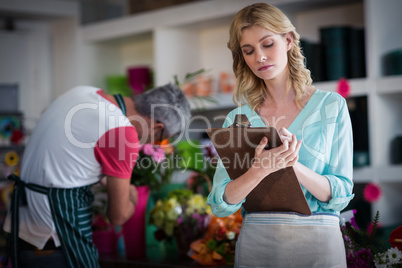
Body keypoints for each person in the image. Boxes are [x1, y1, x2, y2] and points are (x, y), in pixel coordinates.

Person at [207, 3, 354, 267]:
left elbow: (341, 194)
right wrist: (258, 171)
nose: (259, 57)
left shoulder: (331, 106)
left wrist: (292, 165)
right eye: (248, 51)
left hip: (319, 244)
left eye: (267, 44)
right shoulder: (237, 119)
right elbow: (221, 203)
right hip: (257, 245)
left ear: (288, 40)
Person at [4, 83, 191, 268]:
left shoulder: (83, 92)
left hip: (21, 234)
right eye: (163, 139)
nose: (158, 144)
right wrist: (132, 197)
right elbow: (117, 216)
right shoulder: (122, 133)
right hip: (56, 243)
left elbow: (69, 163)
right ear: (157, 128)